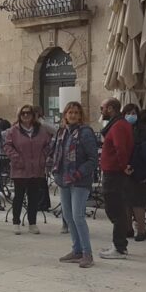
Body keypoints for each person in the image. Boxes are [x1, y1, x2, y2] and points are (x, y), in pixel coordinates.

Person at [50, 101, 99, 268]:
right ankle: (76, 250)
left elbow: (93, 159)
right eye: (70, 112)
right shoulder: (62, 132)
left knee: (78, 216)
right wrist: (53, 168)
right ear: (65, 115)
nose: (73, 115)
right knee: (68, 216)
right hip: (64, 180)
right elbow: (54, 152)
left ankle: (87, 253)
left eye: (76, 113)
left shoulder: (86, 132)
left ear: (81, 116)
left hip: (80, 181)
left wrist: (78, 173)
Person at [3, 105, 51, 235]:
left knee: (33, 197)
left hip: (36, 169)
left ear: (33, 115)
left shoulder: (40, 130)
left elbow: (48, 144)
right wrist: (16, 158)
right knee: (18, 196)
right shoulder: (13, 130)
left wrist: (43, 157)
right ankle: (16, 222)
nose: (25, 115)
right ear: (19, 115)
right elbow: (7, 146)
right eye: (23, 113)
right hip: (20, 169)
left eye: (28, 113)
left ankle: (32, 223)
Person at [98, 97, 134, 259]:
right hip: (113, 171)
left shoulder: (118, 125)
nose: (101, 111)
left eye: (102, 108)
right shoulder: (119, 123)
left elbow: (121, 148)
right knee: (115, 208)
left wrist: (123, 166)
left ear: (111, 108)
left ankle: (120, 247)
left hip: (114, 172)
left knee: (115, 209)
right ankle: (118, 244)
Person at [123, 105, 146, 242]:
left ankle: (141, 230)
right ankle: (128, 228)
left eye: (133, 113)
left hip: (139, 171)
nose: (131, 115)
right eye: (128, 113)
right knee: (125, 201)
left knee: (137, 202)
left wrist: (142, 171)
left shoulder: (143, 132)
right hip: (125, 170)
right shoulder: (123, 128)